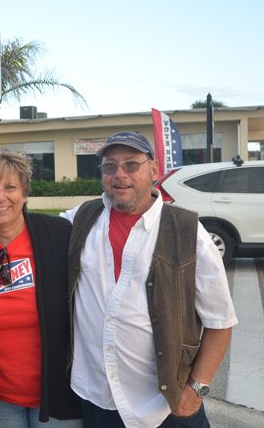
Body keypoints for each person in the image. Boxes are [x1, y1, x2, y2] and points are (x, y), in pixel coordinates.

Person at [63, 131, 238, 428]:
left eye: (131, 165)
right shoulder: (81, 218)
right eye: (110, 166)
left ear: (154, 170)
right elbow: (25, 229)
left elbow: (220, 322)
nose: (119, 175)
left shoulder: (187, 231)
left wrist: (196, 390)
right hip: (98, 399)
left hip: (167, 407)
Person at [0, 149, 82, 428]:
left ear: (25, 193)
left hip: (56, 394)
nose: (0, 197)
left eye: (10, 187)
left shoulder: (58, 235)